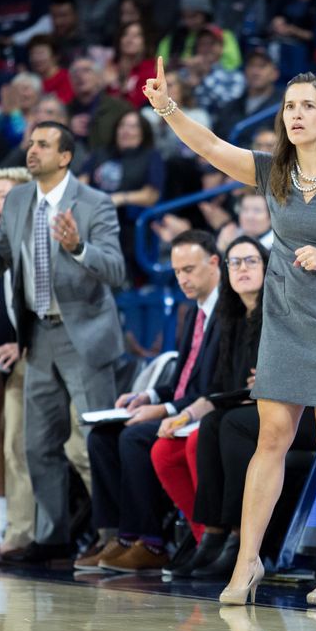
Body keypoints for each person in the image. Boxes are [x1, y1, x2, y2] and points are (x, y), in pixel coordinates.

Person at [143, 58, 316, 605]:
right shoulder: (273, 171)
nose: (297, 115)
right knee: (271, 440)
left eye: (307, 106)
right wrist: (167, 108)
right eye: (289, 107)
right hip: (284, 321)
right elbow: (211, 148)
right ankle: (247, 562)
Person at [0, 121, 127, 564]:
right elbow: (1, 262)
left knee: (96, 440)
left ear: (65, 157)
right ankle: (54, 537)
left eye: (43, 145)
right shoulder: (16, 200)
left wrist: (77, 247)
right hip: (39, 333)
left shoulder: (94, 203)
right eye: (31, 143)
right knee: (37, 443)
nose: (32, 150)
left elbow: (116, 270)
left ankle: (116, 536)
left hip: (84, 333)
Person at [84, 229, 222, 573]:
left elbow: (213, 386)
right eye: (177, 272)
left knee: (135, 435)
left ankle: (150, 541)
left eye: (189, 269)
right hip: (182, 409)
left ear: (215, 264)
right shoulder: (193, 312)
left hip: (207, 412)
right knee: (102, 437)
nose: (182, 279)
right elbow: (179, 383)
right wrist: (147, 395)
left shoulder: (226, 314)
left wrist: (163, 409)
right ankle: (119, 536)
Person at [148, 235, 265, 578]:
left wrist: (275, 377)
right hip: (241, 407)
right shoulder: (231, 319)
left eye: (251, 261)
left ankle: (238, 537)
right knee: (213, 424)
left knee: (225, 425)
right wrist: (185, 414)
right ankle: (211, 535)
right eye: (236, 262)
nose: (242, 269)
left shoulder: (279, 313)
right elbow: (221, 389)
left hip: (287, 409)